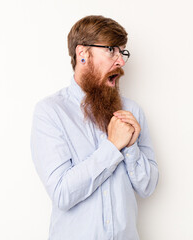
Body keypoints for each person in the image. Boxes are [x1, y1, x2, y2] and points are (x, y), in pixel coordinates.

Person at [30, 15, 159, 240]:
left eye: (122, 52)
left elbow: (147, 186)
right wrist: (112, 146)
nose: (121, 61)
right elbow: (62, 193)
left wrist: (129, 147)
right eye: (111, 50)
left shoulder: (132, 111)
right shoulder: (50, 112)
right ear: (83, 54)